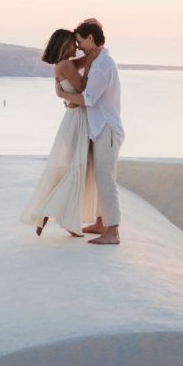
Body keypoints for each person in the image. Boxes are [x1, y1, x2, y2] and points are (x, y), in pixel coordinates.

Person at [20, 29, 99, 237]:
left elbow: (82, 64)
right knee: (76, 168)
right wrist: (62, 94)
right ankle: (66, 219)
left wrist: (90, 55)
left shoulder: (64, 64)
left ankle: (47, 213)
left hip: (73, 118)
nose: (76, 46)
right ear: (65, 45)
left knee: (71, 168)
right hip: (77, 120)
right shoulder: (65, 65)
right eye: (74, 43)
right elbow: (82, 88)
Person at [55, 18, 124, 245]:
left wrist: (62, 95)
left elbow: (88, 98)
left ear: (91, 38)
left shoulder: (103, 64)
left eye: (80, 41)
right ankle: (101, 221)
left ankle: (112, 231)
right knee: (99, 177)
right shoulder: (97, 61)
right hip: (98, 129)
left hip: (106, 129)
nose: (78, 46)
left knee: (106, 179)